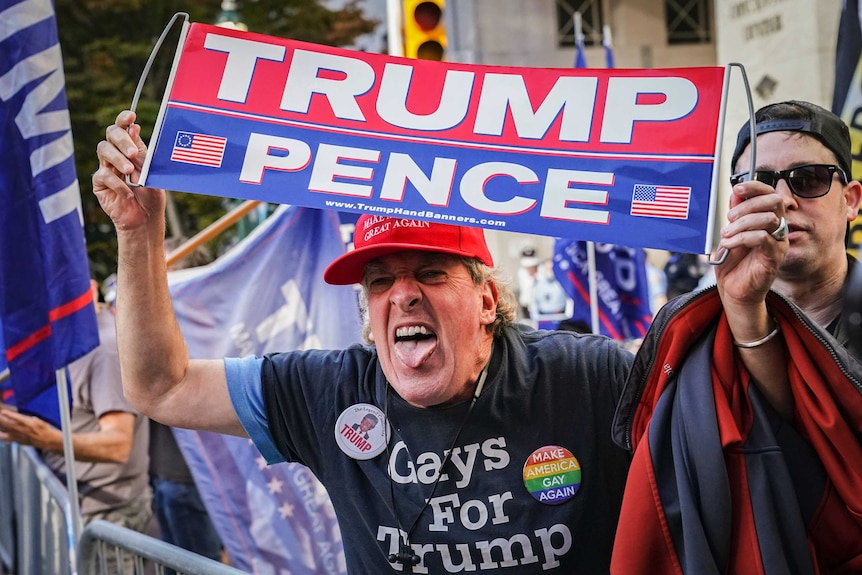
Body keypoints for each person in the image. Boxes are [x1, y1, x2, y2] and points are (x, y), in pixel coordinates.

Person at [93, 111, 635, 573]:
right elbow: (161, 388)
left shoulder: (586, 377)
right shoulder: (331, 390)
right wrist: (139, 234)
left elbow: (713, 417)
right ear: (367, 316)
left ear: (487, 301)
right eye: (379, 281)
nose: (402, 295)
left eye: (430, 272)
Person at [611, 101, 862, 573]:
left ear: (850, 199)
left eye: (807, 180)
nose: (782, 200)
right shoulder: (688, 332)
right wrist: (742, 306)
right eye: (761, 183)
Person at [0, 280, 152, 570]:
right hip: (79, 509)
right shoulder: (65, 342)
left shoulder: (105, 349)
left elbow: (118, 445)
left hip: (108, 517)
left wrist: (46, 439)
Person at [145, 237, 223, 568]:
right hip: (165, 473)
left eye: (165, 275)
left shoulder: (206, 331)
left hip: (194, 477)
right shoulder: (156, 328)